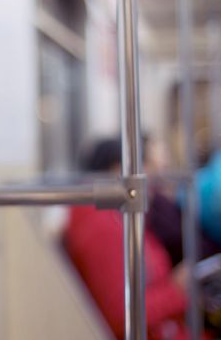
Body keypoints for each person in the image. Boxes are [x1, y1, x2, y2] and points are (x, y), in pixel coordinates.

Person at [65, 137, 203, 340]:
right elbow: (123, 316)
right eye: (151, 167)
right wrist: (176, 290)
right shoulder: (103, 228)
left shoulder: (117, 219)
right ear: (120, 170)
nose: (158, 179)